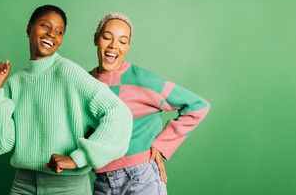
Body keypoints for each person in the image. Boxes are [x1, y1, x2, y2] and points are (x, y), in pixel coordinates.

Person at [0, 5, 133, 195]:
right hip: (23, 184)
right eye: (45, 26)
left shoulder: (68, 71)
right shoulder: (14, 83)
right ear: (28, 28)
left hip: (67, 186)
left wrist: (78, 158)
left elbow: (119, 114)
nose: (52, 34)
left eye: (59, 32)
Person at [89, 13, 210, 195]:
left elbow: (198, 106)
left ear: (128, 47)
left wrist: (162, 145)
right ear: (96, 39)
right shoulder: (84, 82)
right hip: (103, 182)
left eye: (123, 41)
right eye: (107, 37)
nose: (114, 45)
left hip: (140, 178)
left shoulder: (141, 79)